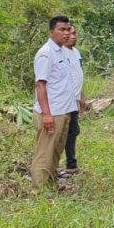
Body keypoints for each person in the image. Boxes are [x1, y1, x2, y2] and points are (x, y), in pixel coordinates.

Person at [30, 15, 79, 188]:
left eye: (68, 29)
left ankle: (51, 184)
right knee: (45, 153)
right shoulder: (46, 54)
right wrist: (47, 114)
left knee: (56, 151)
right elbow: (40, 84)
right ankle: (40, 189)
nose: (66, 33)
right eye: (61, 30)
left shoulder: (62, 52)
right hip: (52, 112)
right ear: (51, 32)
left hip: (64, 110)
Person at [60, 25, 88, 178]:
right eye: (69, 34)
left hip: (73, 101)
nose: (73, 36)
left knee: (73, 131)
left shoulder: (76, 53)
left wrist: (82, 97)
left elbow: (78, 76)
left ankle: (71, 165)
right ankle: (54, 166)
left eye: (75, 33)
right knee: (61, 133)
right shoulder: (59, 53)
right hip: (63, 101)